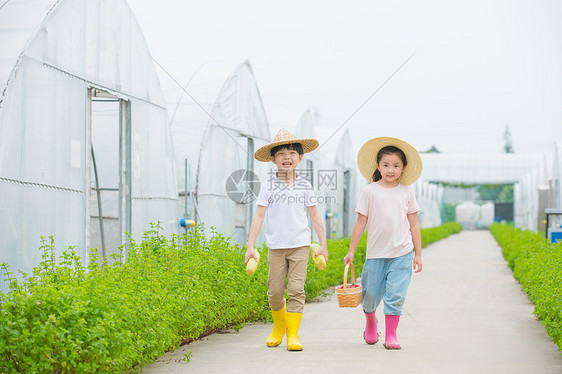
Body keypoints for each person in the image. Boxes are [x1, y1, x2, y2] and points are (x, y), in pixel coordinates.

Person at [245, 128, 328, 351]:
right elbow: (259, 216)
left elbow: (314, 215)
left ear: (300, 158)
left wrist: (323, 245)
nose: (287, 157)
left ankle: (293, 334)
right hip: (276, 248)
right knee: (274, 291)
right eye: (281, 153)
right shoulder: (268, 186)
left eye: (292, 152)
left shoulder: (305, 186)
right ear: (273, 160)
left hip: (300, 246)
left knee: (296, 290)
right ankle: (278, 327)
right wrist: (250, 246)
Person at [344, 137, 423, 350]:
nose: (391, 170)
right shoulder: (370, 191)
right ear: (378, 166)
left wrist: (418, 254)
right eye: (386, 165)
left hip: (402, 253)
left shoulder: (406, 192)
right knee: (370, 295)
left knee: (395, 295)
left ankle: (391, 335)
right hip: (376, 253)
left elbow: (414, 225)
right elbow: (361, 222)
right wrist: (351, 251)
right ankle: (371, 321)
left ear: (403, 168)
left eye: (396, 166)